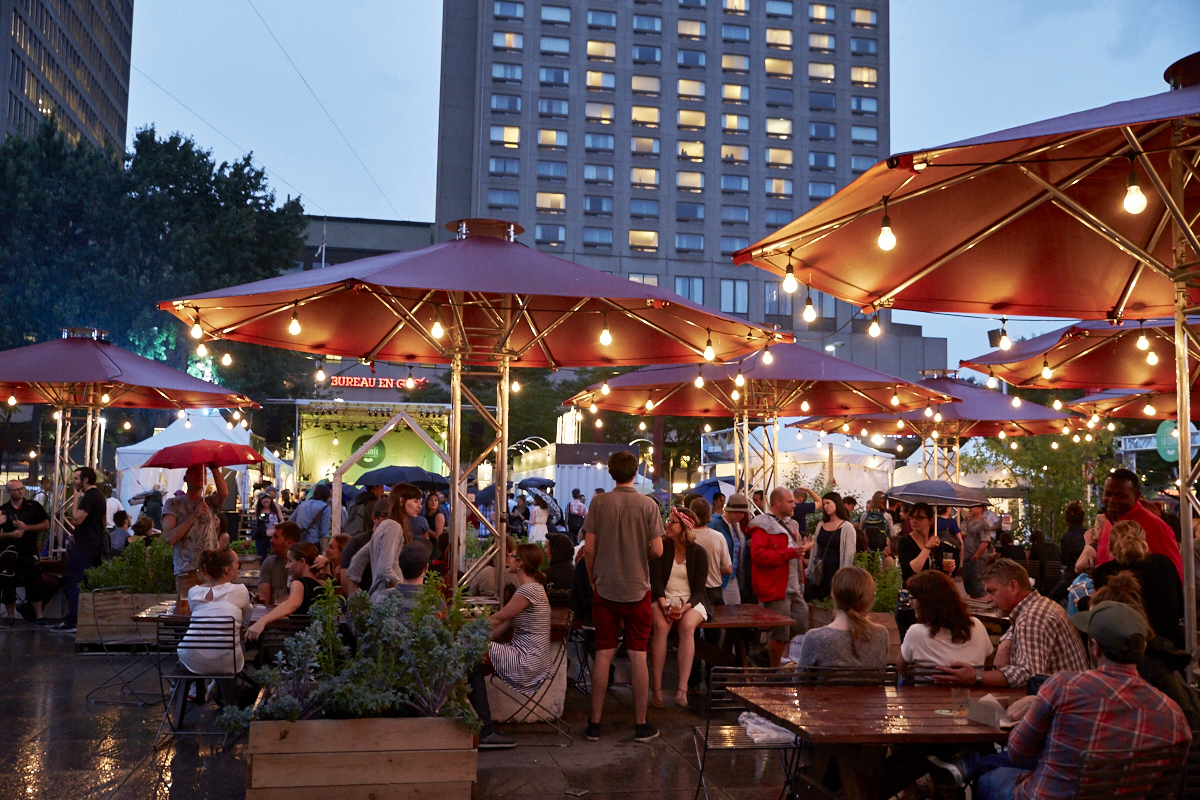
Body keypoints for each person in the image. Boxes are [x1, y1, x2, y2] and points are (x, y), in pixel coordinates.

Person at [938, 601, 1191, 800]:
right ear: (1143, 649)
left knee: (989, 780)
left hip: (1047, 795)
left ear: (1095, 648)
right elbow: (1165, 792)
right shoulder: (1172, 715)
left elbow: (1017, 751)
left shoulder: (1064, 686)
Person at [580, 450, 664, 743]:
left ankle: (594, 724)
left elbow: (588, 548)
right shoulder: (648, 505)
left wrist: (593, 576)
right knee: (638, 654)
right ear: (636, 471)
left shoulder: (598, 503)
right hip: (637, 589)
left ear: (611, 473)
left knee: (603, 653)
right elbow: (658, 550)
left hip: (605, 589)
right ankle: (641, 724)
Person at [934, 559, 1087, 689]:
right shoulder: (1038, 605)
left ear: (1013, 587)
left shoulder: (1031, 617)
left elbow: (1029, 676)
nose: (987, 599)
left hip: (1066, 707)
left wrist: (976, 676)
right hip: (1072, 697)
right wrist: (1006, 640)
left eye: (992, 591)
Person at [649, 506, 712, 708]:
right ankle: (657, 691)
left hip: (691, 601)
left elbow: (700, 590)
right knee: (660, 627)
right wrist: (662, 603)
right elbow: (655, 582)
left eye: (672, 522)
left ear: (684, 526)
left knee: (686, 627)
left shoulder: (698, 553)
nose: (667, 525)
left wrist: (686, 607)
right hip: (663, 598)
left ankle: (682, 689)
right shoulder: (662, 549)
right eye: (668, 521)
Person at [1091, 520, 1184, 649]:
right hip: (1170, 647)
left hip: (1127, 650)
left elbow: (1108, 618)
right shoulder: (1163, 563)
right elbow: (1180, 608)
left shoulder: (1103, 573)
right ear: (1143, 541)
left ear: (1110, 547)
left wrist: (1085, 603)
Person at [179, 548, 254, 703]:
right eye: (237, 564)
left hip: (192, 659)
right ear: (227, 570)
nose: (238, 567)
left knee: (215, 647)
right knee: (232, 650)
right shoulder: (240, 590)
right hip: (227, 662)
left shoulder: (193, 592)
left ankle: (206, 692)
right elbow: (246, 621)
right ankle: (229, 705)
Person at [748, 486, 811, 667]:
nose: (794, 505)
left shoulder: (790, 524)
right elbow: (758, 556)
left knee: (801, 623)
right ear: (777, 503)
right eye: (790, 501)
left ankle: (774, 658)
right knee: (780, 631)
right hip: (776, 588)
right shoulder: (762, 526)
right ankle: (775, 671)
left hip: (794, 587)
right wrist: (789, 553)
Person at [898, 570, 992, 678]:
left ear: (926, 602)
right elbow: (989, 662)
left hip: (928, 694)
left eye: (912, 597)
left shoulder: (916, 633)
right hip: (972, 693)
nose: (910, 602)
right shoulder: (977, 625)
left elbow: (901, 667)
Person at [1095, 468, 1183, 581]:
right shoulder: (1108, 525)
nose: (1112, 500)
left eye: (1120, 495)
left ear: (1136, 496)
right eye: (1108, 494)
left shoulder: (1155, 527)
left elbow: (1173, 576)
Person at [488, 542, 553, 692]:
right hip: (533, 658)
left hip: (527, 660)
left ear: (520, 563)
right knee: (473, 661)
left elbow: (497, 619)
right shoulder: (534, 587)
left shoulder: (528, 590)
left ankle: (480, 714)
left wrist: (464, 628)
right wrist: (478, 639)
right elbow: (504, 625)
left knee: (471, 657)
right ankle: (481, 713)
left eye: (512, 556)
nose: (508, 558)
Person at [798, 566, 889, 669]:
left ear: (833, 595)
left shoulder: (815, 638)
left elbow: (800, 681)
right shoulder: (881, 635)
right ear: (868, 598)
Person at [163, 464, 229, 602]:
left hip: (211, 570)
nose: (199, 475)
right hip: (187, 572)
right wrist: (194, 515)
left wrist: (213, 467)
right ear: (185, 478)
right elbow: (170, 538)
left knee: (212, 614)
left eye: (203, 473)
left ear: (206, 480)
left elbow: (224, 493)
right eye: (194, 472)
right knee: (188, 615)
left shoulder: (209, 502)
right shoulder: (173, 504)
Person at [348, 483, 423, 602]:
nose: (420, 505)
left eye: (420, 501)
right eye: (415, 501)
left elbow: (357, 561)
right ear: (402, 501)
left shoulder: (387, 525)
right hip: (389, 601)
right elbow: (385, 570)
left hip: (381, 599)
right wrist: (404, 591)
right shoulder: (393, 527)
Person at [59, 467, 110, 632]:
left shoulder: (89, 496)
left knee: (75, 581)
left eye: (76, 478)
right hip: (94, 545)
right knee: (86, 582)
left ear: (85, 480)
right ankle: (83, 619)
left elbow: (77, 519)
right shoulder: (99, 496)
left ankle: (74, 620)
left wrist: (75, 499)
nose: (73, 482)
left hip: (85, 546)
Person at [246, 543, 324, 641]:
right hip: (320, 640)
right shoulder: (324, 583)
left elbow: (292, 604)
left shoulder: (299, 583)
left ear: (302, 561)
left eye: (290, 561)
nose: (287, 566)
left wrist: (262, 621)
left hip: (300, 643)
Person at [0, 479, 49, 626]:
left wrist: (26, 527)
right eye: (16, 490)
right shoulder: (3, 510)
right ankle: (10, 617)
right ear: (8, 492)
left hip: (29, 551)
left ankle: (39, 616)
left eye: (21, 488)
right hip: (9, 553)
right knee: (8, 585)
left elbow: (45, 525)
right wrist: (10, 535)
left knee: (35, 583)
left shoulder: (33, 506)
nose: (20, 491)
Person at [806, 492, 857, 602]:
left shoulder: (847, 527)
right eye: (824, 504)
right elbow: (815, 550)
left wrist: (843, 578)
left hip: (835, 573)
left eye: (828, 503)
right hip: (819, 572)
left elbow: (849, 555)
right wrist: (809, 570)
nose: (825, 506)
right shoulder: (821, 525)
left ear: (837, 503)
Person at [688, 497, 732, 612]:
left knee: (690, 627)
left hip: (689, 591)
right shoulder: (718, 537)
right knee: (715, 627)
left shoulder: (685, 537)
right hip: (713, 591)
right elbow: (728, 569)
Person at [710, 493, 750, 605]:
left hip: (732, 578)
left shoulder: (735, 526)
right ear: (731, 510)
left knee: (735, 611)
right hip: (718, 578)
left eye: (743, 512)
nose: (742, 515)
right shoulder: (715, 523)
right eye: (739, 512)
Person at [896, 502, 947, 585]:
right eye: (912, 517)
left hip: (933, 590)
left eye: (920, 518)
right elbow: (911, 570)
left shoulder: (936, 543)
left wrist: (948, 571)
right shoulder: (905, 542)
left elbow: (939, 573)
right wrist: (927, 548)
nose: (914, 521)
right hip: (913, 589)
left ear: (930, 520)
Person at [1049, 501, 1088, 602]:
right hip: (1087, 575)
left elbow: (1065, 561)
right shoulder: (1088, 535)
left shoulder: (1066, 538)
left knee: (1051, 599)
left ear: (1067, 520)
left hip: (1071, 576)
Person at [256, 522, 300, 604]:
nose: (271, 540)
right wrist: (260, 600)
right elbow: (263, 597)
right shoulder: (269, 562)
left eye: (275, 537)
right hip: (273, 612)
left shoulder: (303, 564)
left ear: (289, 543)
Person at [960, 504, 993, 598]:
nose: (970, 508)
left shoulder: (983, 523)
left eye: (973, 506)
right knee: (969, 585)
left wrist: (976, 556)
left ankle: (983, 607)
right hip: (967, 557)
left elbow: (985, 541)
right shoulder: (969, 521)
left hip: (977, 559)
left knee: (978, 585)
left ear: (980, 508)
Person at [291, 484, 333, 549]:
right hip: (313, 543)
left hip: (299, 542)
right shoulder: (325, 508)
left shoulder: (302, 504)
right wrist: (325, 552)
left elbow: (291, 521)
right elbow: (324, 532)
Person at [543, 533, 575, 607]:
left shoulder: (544, 576)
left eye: (547, 547)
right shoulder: (578, 575)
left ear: (554, 550)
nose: (545, 551)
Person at [250, 493, 283, 558]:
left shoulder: (275, 508)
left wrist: (277, 525)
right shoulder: (259, 509)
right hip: (262, 534)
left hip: (273, 534)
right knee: (261, 556)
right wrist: (260, 519)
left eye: (268, 502)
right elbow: (256, 521)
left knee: (275, 555)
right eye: (264, 502)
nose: (266, 504)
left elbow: (282, 520)